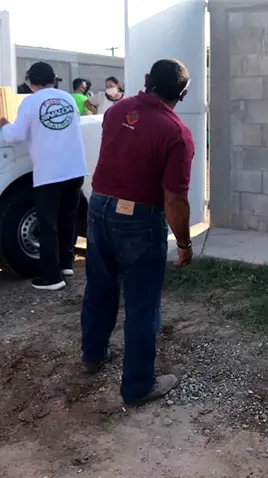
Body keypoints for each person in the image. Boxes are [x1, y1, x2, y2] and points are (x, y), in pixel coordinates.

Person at [80, 58, 195, 406]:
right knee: (142, 304)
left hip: (98, 207)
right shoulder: (176, 133)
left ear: (146, 79)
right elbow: (174, 200)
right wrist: (184, 244)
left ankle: (93, 355)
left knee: (99, 287)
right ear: (183, 95)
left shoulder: (117, 110)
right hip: (138, 220)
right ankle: (138, 386)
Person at [0, 62, 87, 290]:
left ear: (30, 81)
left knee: (47, 223)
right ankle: (66, 264)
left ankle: (51, 278)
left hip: (50, 172)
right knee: (68, 217)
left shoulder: (30, 102)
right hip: (75, 168)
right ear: (53, 79)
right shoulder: (67, 98)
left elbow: (16, 135)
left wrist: (4, 125)